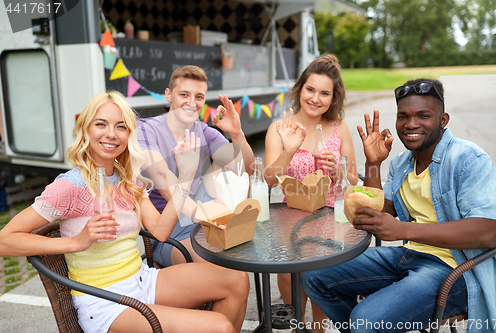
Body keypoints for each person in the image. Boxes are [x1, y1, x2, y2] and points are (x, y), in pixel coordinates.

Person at [0, 91, 249, 333]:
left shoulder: (128, 179)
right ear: (85, 130)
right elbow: (5, 240)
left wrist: (184, 178)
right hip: (104, 302)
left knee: (236, 279)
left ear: (129, 134)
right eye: (101, 124)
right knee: (220, 327)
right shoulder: (70, 186)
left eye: (121, 126)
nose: (111, 134)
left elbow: (161, 231)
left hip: (141, 281)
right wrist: (76, 242)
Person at [302, 78, 496, 333]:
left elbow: (487, 232)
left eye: (423, 116)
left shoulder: (468, 159)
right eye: (403, 116)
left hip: (456, 270)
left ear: (443, 120)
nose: (411, 124)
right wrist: (373, 163)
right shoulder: (402, 163)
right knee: (314, 275)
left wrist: (402, 230)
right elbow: (377, 211)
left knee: (366, 321)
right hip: (409, 257)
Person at [264, 54, 358, 333]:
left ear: (333, 97)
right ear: (300, 89)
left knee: (321, 283)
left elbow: (352, 178)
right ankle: (297, 328)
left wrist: (337, 170)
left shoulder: (339, 127)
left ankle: (317, 328)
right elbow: (269, 179)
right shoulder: (279, 128)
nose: (316, 98)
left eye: (324, 93)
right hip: (290, 215)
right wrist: (289, 150)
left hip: (330, 215)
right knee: (290, 280)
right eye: (310, 89)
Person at [137, 65, 254, 267]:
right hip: (168, 231)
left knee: (227, 166)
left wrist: (237, 134)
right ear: (168, 95)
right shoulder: (145, 129)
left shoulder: (203, 130)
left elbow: (244, 169)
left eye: (199, 97)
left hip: (201, 221)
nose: (192, 103)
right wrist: (204, 215)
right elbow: (164, 179)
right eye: (184, 94)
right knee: (223, 264)